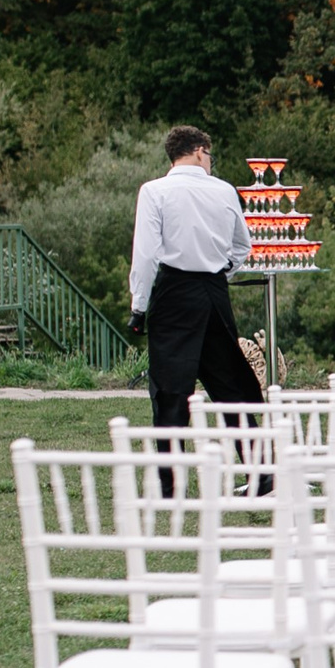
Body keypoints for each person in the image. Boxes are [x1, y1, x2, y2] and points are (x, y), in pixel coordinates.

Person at [127, 126, 264, 444]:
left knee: (171, 391)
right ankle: (259, 467)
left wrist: (139, 306)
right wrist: (220, 275)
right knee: (230, 386)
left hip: (174, 293)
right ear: (200, 151)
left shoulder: (154, 191)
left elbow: (146, 255)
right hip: (214, 293)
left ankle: (170, 473)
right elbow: (242, 246)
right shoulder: (225, 191)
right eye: (210, 156)